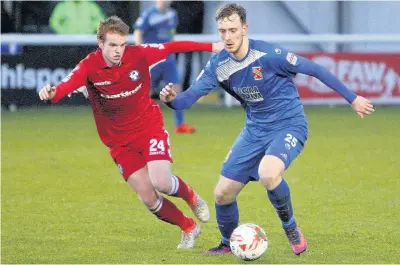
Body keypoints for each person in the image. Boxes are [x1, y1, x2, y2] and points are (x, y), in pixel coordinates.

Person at [160, 3, 375, 255]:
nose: (227, 37)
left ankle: (290, 227)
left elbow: (314, 69)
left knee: (268, 173)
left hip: (289, 124)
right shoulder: (218, 65)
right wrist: (172, 99)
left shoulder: (269, 54)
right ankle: (229, 244)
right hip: (254, 131)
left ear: (244, 28)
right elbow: (188, 98)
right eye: (222, 31)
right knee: (222, 194)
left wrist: (353, 98)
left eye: (232, 30)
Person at [39, 16, 223, 249]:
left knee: (162, 182)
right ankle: (188, 227)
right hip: (119, 142)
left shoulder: (138, 54)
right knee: (148, 197)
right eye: (113, 45)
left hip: (148, 128)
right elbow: (61, 89)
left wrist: (213, 46)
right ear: (100, 44)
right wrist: (49, 93)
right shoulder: (88, 67)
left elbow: (172, 47)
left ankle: (192, 198)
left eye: (122, 45)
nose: (118, 51)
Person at [133, 0, 196, 134]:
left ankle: (180, 125)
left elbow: (171, 34)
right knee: (146, 92)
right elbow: (138, 33)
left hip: (168, 60)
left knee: (176, 89)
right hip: (152, 60)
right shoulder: (149, 14)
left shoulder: (173, 14)